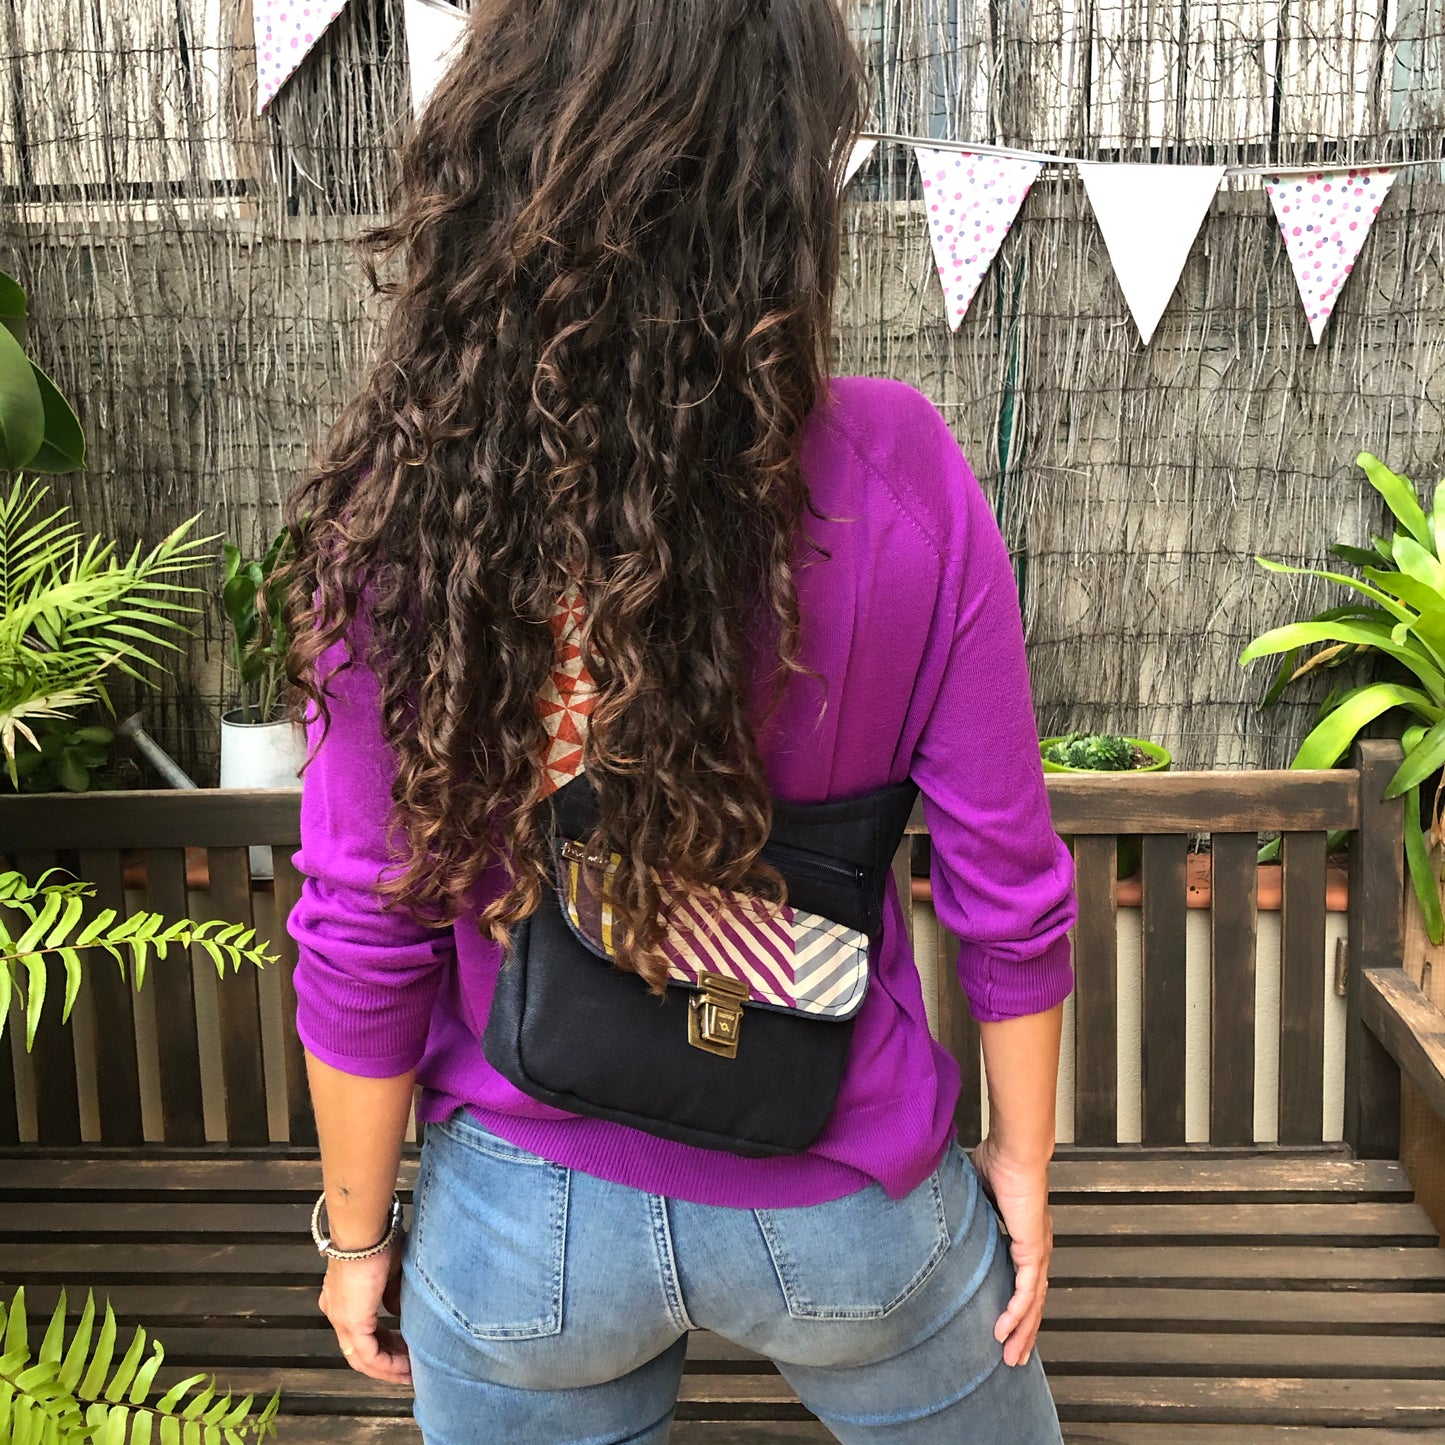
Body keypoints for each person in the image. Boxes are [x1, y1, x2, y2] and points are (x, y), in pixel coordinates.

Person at [281, 1, 1078, 1440]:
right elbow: (1006, 884)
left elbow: (362, 925)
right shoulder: (900, 471)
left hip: (525, 1229)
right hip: (850, 1205)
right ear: (781, 192)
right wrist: (1022, 1163)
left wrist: (355, 1236)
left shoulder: (414, 520)